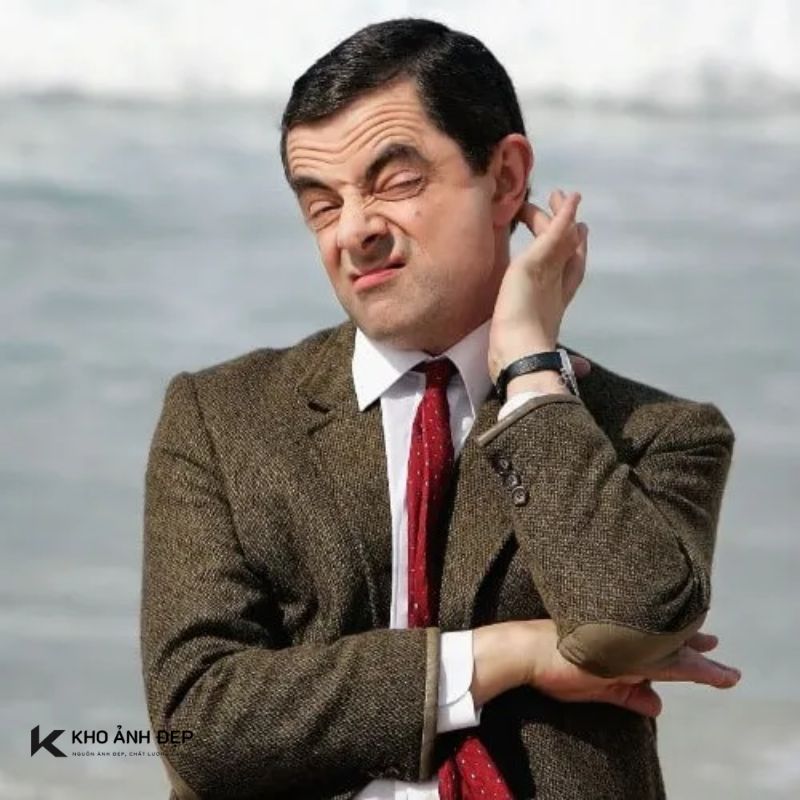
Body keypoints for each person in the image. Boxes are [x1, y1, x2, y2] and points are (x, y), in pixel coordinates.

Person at [140, 18, 740, 800]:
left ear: (506, 177)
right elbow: (196, 728)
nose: (354, 231)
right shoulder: (221, 419)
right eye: (321, 205)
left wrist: (529, 370)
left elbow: (629, 629)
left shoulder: (657, 433)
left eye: (394, 183)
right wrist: (505, 656)